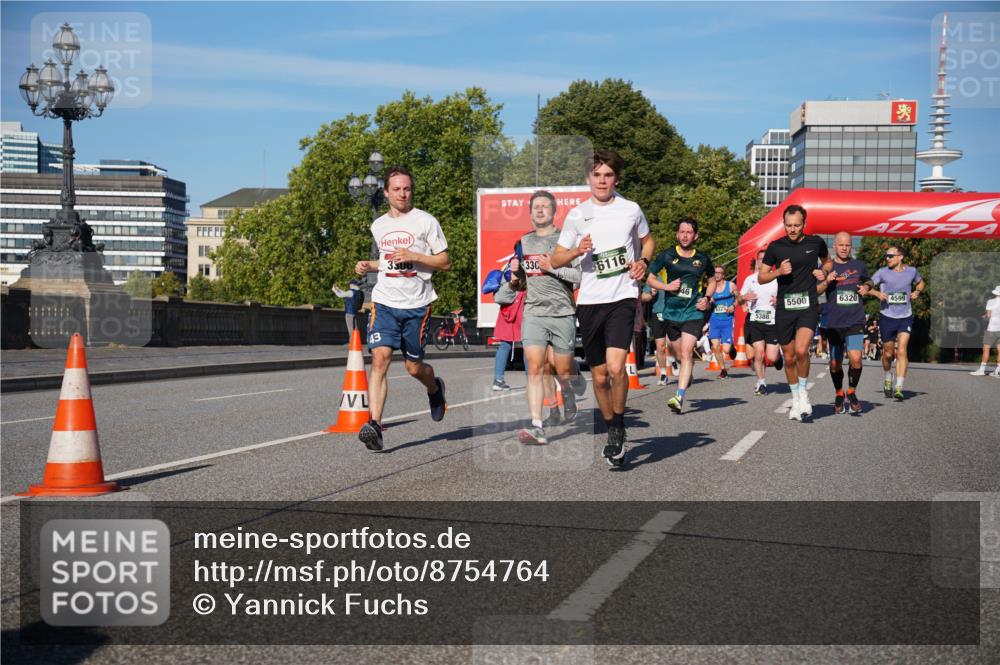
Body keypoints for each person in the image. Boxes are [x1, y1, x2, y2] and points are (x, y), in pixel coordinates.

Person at [551, 149, 654, 466]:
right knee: (598, 378)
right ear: (588, 179)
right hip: (590, 301)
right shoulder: (577, 215)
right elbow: (556, 258)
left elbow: (648, 240)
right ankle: (612, 427)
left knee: (615, 368)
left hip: (622, 297)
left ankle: (618, 428)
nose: (602, 181)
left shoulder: (630, 209)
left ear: (616, 179)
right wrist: (576, 251)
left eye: (608, 175)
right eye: (596, 175)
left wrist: (643, 261)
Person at [354, 167, 449, 452]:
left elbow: (444, 261)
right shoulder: (379, 225)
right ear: (386, 193)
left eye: (406, 188)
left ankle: (434, 388)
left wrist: (415, 255)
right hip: (385, 302)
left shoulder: (425, 221)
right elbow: (389, 262)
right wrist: (369, 265)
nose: (402, 194)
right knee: (380, 359)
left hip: (416, 305)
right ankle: (374, 425)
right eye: (396, 189)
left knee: (413, 367)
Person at [517, 191, 583, 444]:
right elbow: (522, 280)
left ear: (554, 212)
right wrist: (515, 276)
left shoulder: (564, 240)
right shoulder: (523, 243)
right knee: (535, 367)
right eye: (536, 206)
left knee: (562, 370)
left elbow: (579, 277)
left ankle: (568, 388)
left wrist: (552, 267)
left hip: (562, 311)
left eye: (545, 206)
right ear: (530, 212)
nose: (540, 210)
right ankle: (537, 425)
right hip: (534, 312)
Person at [759, 204, 831, 422]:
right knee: (788, 358)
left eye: (797, 225)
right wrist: (778, 272)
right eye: (788, 225)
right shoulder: (775, 247)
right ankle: (796, 399)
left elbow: (828, 262)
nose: (792, 229)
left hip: (808, 305)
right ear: (784, 224)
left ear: (804, 224)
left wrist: (823, 271)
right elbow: (762, 277)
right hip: (785, 307)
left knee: (801, 350)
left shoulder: (815, 242)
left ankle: (804, 394)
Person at [645, 218, 716, 414]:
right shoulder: (666, 255)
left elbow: (712, 281)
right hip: (671, 313)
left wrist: (707, 298)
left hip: (693, 312)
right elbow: (650, 279)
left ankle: (679, 396)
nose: (685, 235)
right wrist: (666, 286)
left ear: (696, 236)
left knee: (686, 353)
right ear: (677, 234)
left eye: (689, 232)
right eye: (682, 232)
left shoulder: (702, 259)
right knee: (678, 354)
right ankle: (687, 373)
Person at [819, 232, 874, 414]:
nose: (844, 248)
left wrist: (866, 287)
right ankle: (839, 393)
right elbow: (817, 289)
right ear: (834, 246)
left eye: (848, 245)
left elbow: (869, 280)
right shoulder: (827, 266)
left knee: (856, 358)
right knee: (835, 363)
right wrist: (827, 280)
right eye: (841, 245)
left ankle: (851, 391)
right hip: (834, 322)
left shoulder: (859, 265)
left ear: (851, 246)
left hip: (855, 319)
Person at [869, 246, 925, 400]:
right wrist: (877, 293)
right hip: (887, 316)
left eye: (890, 256)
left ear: (900, 257)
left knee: (901, 350)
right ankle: (888, 377)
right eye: (886, 256)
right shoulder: (882, 272)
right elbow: (867, 285)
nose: (887, 258)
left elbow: (921, 283)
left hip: (905, 316)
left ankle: (899, 387)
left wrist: (917, 291)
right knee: (888, 354)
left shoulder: (912, 271)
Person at [737, 250, 782, 396]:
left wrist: (779, 301)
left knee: (772, 357)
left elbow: (787, 297)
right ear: (757, 261)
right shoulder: (750, 279)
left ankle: (778, 357)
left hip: (773, 321)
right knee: (758, 353)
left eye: (765, 259)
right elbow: (739, 299)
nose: (762, 262)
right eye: (760, 259)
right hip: (755, 321)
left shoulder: (778, 279)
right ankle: (761, 382)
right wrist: (744, 298)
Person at [491, 256, 526, 391]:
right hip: (522, 308)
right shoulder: (527, 264)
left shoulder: (507, 266)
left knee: (505, 345)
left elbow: (499, 293)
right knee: (528, 345)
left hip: (507, 311)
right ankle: (532, 381)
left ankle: (498, 380)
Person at [708, 265, 737, 379]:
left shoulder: (731, 285)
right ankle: (723, 370)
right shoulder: (711, 287)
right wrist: (709, 302)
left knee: (726, 350)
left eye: (719, 273)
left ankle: (732, 347)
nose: (717, 275)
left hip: (727, 320)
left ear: (723, 275)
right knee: (715, 347)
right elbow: (707, 302)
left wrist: (733, 306)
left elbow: (739, 298)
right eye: (715, 272)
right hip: (714, 320)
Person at [970, 285, 1000, 377]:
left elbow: (989, 315)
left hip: (992, 329)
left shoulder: (991, 301)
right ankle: (997, 371)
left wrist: (984, 316)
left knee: (986, 349)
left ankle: (982, 370)